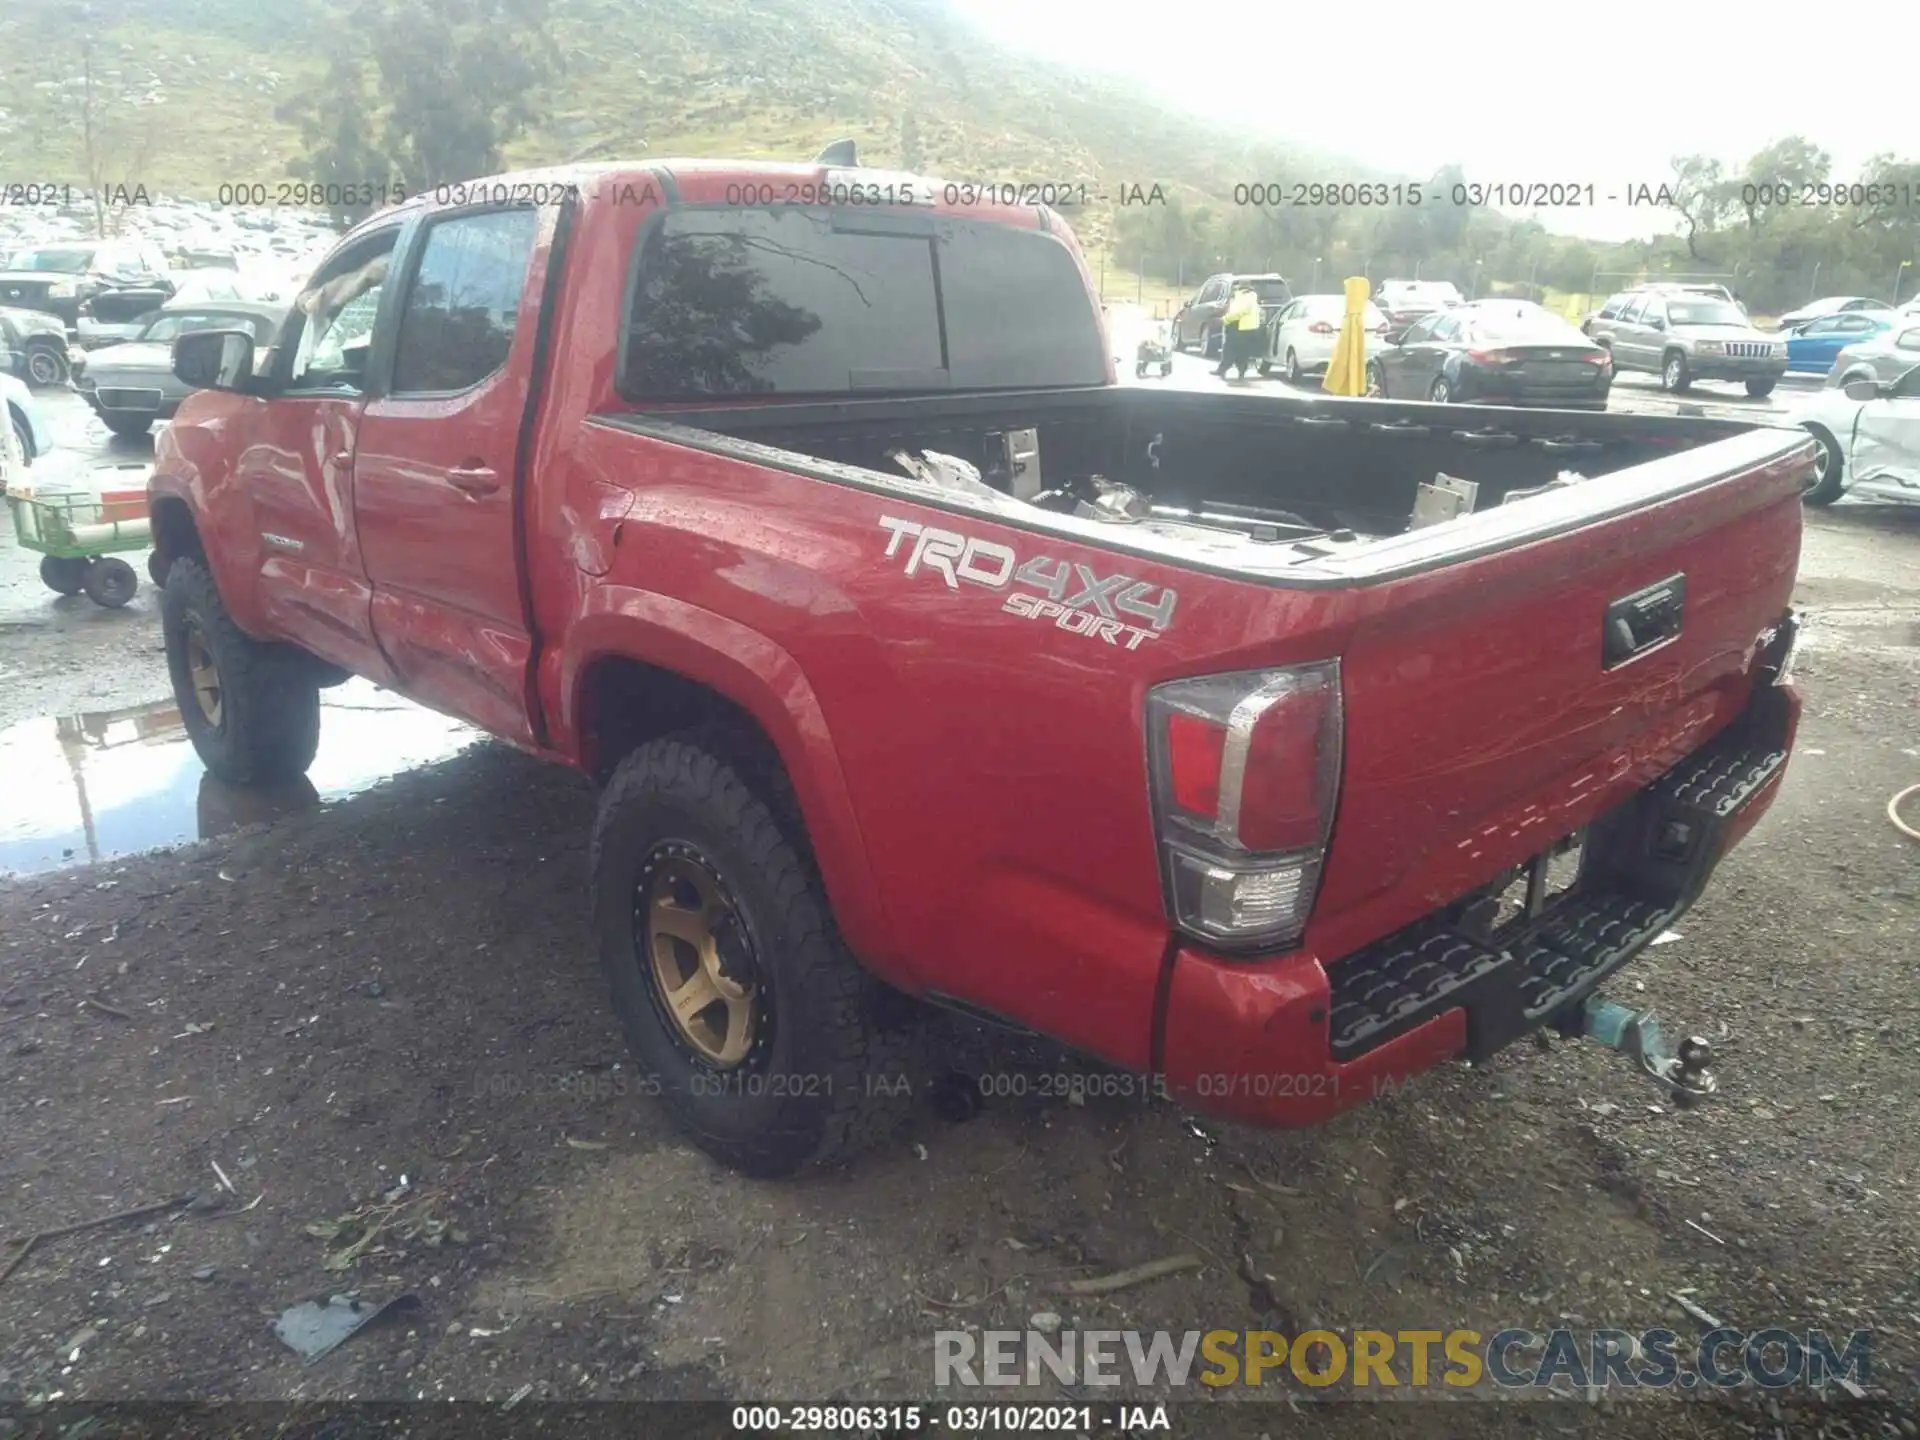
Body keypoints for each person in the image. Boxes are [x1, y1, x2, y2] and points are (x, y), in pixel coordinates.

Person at [1214, 279, 1263, 379]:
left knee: (1230, 349)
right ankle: (1240, 372)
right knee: (1242, 352)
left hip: (1240, 327)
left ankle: (1223, 370)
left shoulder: (1245, 297)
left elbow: (1238, 312)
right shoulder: (1249, 296)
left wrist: (1224, 320)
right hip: (1247, 327)